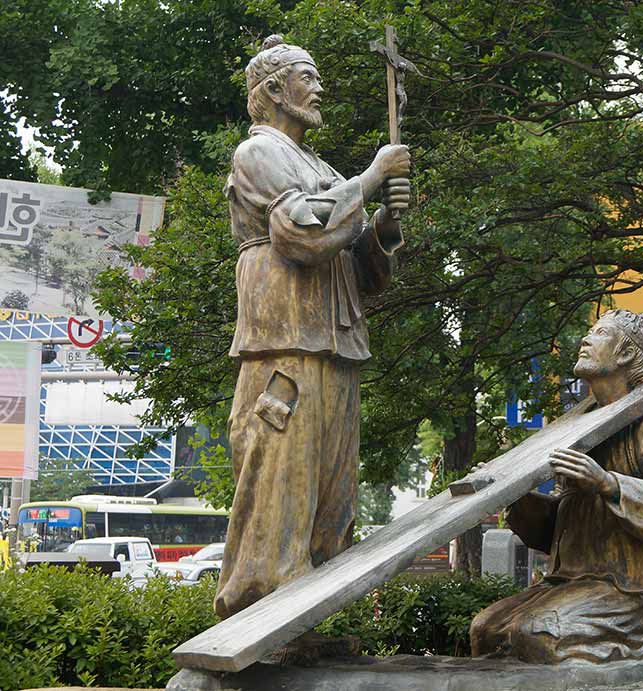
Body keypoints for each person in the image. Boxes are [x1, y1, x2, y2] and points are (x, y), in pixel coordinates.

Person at [214, 34, 411, 619]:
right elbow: (302, 235)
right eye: (309, 77)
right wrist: (372, 177)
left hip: (336, 342)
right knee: (279, 482)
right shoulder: (258, 153)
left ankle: (308, 620)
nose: (320, 88)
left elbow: (365, 272)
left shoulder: (322, 168)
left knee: (332, 493)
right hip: (284, 339)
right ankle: (260, 614)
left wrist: (384, 224)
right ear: (275, 90)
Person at [470, 309, 643, 663]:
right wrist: (513, 495)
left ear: (625, 353)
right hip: (568, 581)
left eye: (600, 333)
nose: (586, 340)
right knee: (485, 629)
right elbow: (560, 524)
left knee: (536, 634)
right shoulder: (577, 433)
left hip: (629, 586)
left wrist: (607, 483)